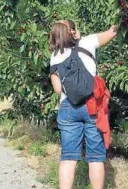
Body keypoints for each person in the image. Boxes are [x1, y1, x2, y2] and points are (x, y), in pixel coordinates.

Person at [49, 20, 118, 189]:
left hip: (68, 106)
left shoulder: (55, 56)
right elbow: (113, 31)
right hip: (92, 106)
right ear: (72, 32)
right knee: (95, 157)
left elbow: (58, 89)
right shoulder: (87, 42)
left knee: (68, 157)